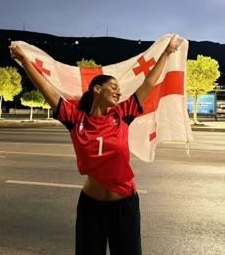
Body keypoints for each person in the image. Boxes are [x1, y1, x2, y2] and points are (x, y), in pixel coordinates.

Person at [10, 35, 179, 255]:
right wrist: (25, 62)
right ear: (97, 89)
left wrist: (166, 52)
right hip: (91, 207)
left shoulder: (123, 113)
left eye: (119, 88)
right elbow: (47, 90)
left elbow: (148, 82)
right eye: (113, 87)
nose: (119, 92)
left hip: (125, 206)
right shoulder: (75, 119)